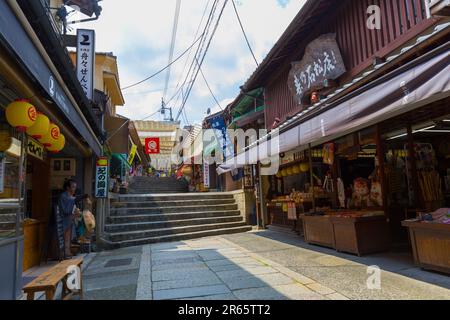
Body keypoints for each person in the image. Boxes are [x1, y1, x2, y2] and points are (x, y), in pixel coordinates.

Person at [58, 179, 87, 258]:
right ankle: (64, 252)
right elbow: (71, 202)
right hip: (63, 219)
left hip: (69, 218)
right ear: (68, 187)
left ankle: (67, 251)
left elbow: (73, 201)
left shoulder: (70, 196)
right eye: (73, 187)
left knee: (68, 236)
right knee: (64, 236)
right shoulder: (64, 196)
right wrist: (82, 197)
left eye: (75, 187)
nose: (74, 189)